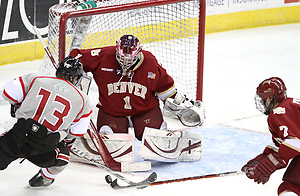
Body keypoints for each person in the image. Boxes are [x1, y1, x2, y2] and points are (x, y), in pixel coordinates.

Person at [69, 34, 204, 141]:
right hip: (112, 112)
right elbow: (77, 56)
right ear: (116, 50)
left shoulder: (150, 62)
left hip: (144, 111)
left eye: (130, 59)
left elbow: (165, 87)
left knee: (157, 138)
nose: (125, 62)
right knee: (111, 142)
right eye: (122, 58)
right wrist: (71, 70)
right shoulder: (104, 55)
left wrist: (180, 103)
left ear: (139, 52)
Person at [0, 56, 92, 187]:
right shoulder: (83, 100)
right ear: (76, 77)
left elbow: (8, 92)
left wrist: (18, 107)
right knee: (64, 157)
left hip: (18, 138)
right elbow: (76, 133)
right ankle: (45, 178)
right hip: (44, 149)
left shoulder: (36, 79)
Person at [241, 77, 300, 196]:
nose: (262, 104)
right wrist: (262, 159)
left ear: (269, 99)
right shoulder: (291, 104)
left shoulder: (279, 112)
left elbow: (295, 142)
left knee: (291, 187)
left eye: (263, 100)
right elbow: (282, 145)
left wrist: (270, 164)